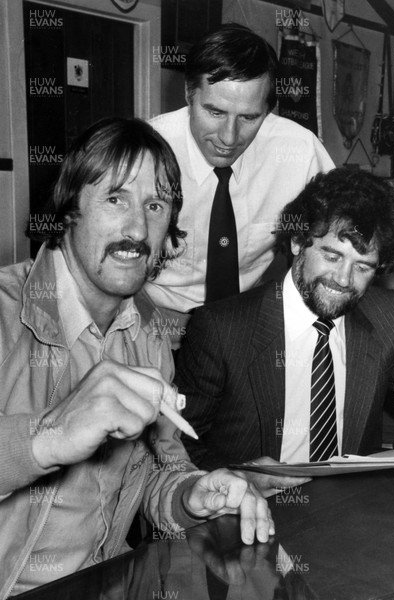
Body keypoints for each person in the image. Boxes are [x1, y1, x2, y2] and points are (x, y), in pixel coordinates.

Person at [0, 118, 273, 597]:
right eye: (115, 198)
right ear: (69, 211)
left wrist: (193, 494)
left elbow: (153, 473)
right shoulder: (5, 311)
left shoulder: (148, 332)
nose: (136, 227)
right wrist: (49, 437)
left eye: (155, 205)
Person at [175, 168, 394, 495]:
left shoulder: (383, 313)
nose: (343, 280)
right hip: (247, 513)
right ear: (298, 240)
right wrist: (240, 479)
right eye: (332, 256)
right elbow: (177, 444)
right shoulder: (221, 328)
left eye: (362, 267)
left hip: (348, 513)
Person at [146, 23, 334, 346]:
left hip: (245, 330)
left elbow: (343, 231)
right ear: (189, 94)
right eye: (215, 112)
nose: (228, 137)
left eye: (249, 118)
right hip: (155, 328)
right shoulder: (146, 152)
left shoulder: (299, 151)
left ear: (267, 110)